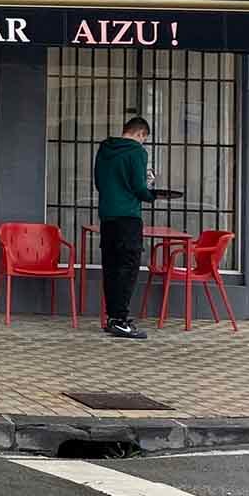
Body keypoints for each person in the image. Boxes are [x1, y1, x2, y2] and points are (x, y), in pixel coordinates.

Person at [94, 116, 156, 340]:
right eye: (144, 139)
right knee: (128, 269)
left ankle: (112, 318)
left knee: (110, 268)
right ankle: (121, 320)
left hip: (107, 217)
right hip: (128, 218)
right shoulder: (137, 152)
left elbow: (99, 183)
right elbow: (139, 187)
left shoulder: (105, 149)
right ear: (140, 134)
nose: (143, 143)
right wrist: (150, 193)